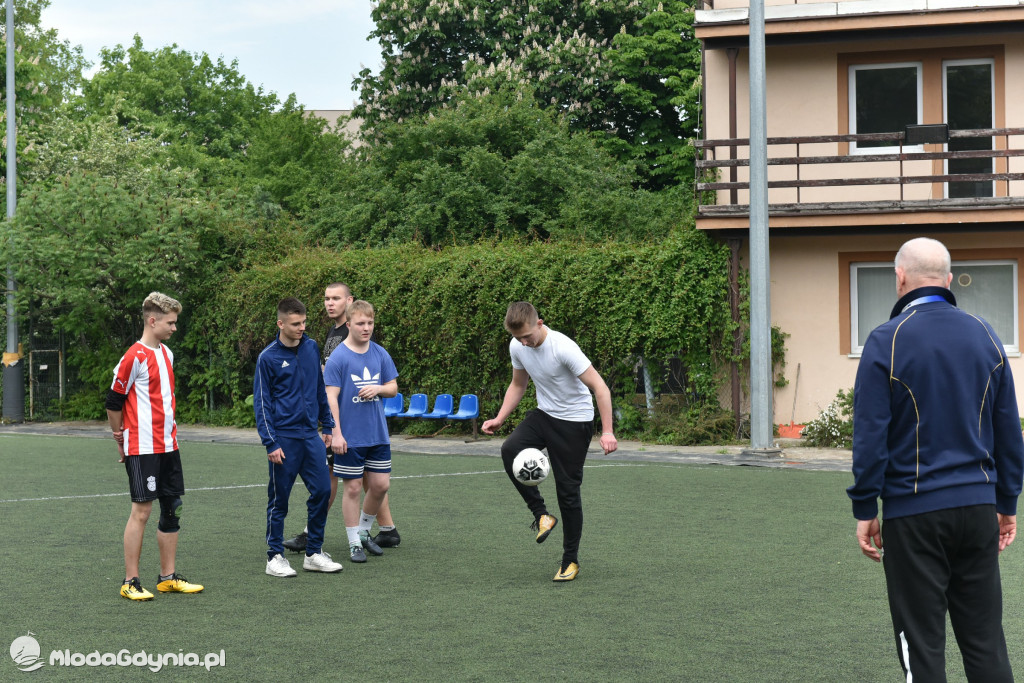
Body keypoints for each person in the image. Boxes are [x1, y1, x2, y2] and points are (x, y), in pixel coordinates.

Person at [847, 237, 1024, 682]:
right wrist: (1007, 503)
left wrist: (865, 508)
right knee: (985, 643)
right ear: (947, 280)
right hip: (978, 510)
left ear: (900, 277)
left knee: (922, 648)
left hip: (914, 514)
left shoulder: (885, 340)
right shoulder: (986, 334)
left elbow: (870, 438)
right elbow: (1009, 431)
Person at [481, 302, 617, 582]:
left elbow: (600, 387)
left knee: (567, 492)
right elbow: (518, 384)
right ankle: (541, 515)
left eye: (527, 336)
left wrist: (607, 431)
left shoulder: (563, 348)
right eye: (518, 338)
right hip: (545, 415)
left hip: (575, 421)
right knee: (510, 449)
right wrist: (500, 418)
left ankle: (570, 561)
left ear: (540, 323)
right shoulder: (517, 346)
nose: (524, 342)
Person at [283, 282, 401, 552]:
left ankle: (370, 530)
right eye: (326, 298)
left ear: (349, 302)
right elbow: (330, 387)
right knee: (351, 480)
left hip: (360, 428)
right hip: (343, 425)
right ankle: (379, 530)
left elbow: (388, 385)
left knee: (368, 481)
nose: (329, 303)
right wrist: (330, 425)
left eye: (336, 298)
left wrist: (332, 425)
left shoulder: (365, 343)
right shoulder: (335, 336)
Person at [106, 292, 204, 600]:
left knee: (173, 508)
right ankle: (130, 581)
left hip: (169, 445)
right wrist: (120, 438)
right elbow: (113, 401)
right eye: (170, 323)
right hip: (142, 447)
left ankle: (167, 577)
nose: (174, 328)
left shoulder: (167, 354)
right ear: (152, 321)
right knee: (142, 511)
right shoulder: (133, 357)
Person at [254, 297, 344, 576]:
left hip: (310, 435)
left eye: (304, 322)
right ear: (280, 323)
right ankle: (274, 557)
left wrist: (327, 425)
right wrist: (270, 442)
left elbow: (319, 388)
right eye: (295, 324)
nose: (302, 328)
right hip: (283, 438)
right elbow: (262, 404)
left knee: (323, 491)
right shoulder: (268, 357)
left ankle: (313, 553)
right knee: (279, 499)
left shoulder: (311, 347)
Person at [324, 300, 400, 563]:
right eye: (360, 323)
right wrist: (336, 433)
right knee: (354, 488)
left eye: (370, 323)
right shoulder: (338, 357)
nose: (366, 328)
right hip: (350, 436)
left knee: (380, 486)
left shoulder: (380, 353)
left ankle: (364, 531)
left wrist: (378, 389)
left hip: (377, 434)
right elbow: (330, 398)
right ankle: (354, 543)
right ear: (348, 324)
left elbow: (392, 387)